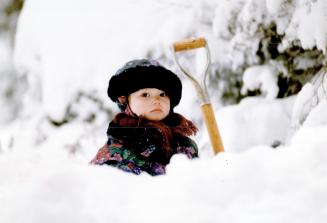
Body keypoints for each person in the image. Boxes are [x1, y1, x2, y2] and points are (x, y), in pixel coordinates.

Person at [90, 59, 199, 176]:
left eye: (162, 94)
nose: (157, 100)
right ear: (125, 101)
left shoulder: (185, 145)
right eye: (145, 95)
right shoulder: (115, 153)